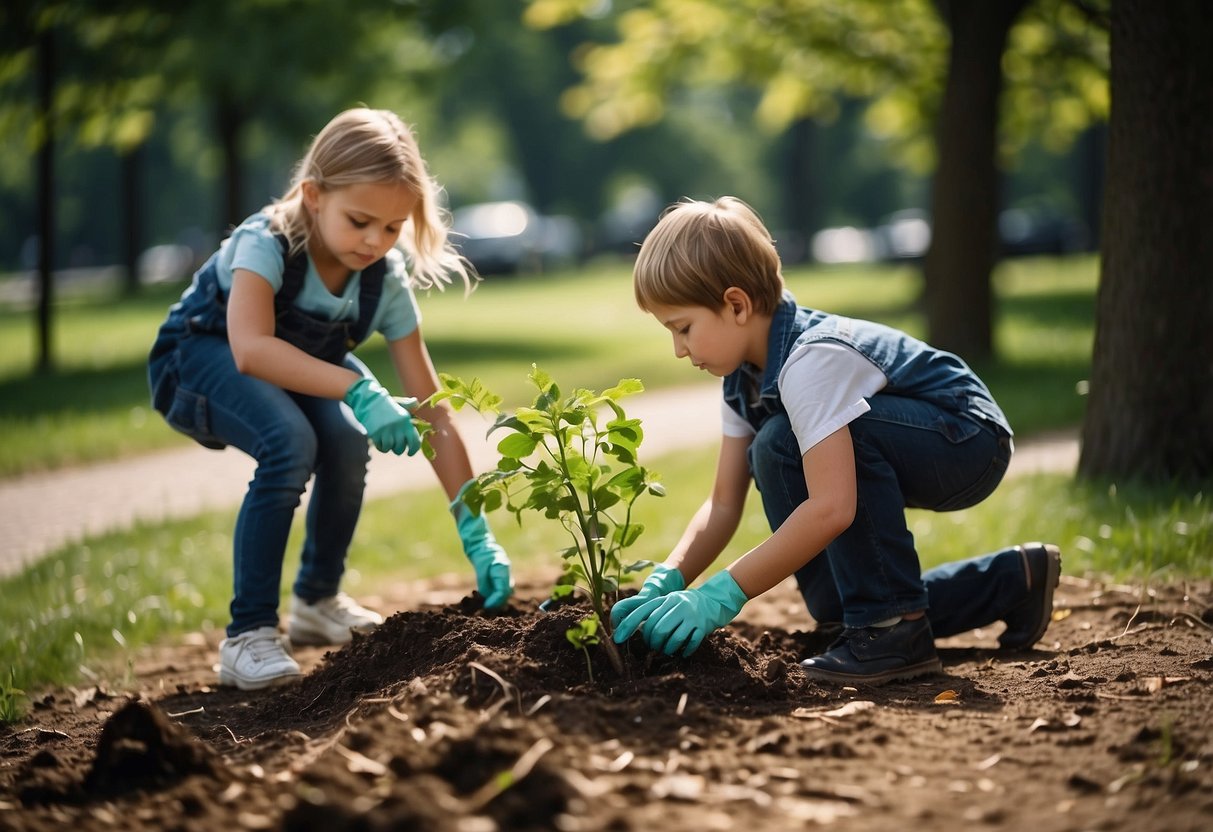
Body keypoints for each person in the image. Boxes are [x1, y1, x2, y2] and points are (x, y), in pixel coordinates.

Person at [609, 196, 1061, 686]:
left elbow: (833, 508)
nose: (678, 349)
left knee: (780, 442)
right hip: (915, 437)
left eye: (683, 328)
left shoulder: (811, 362)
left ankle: (893, 631)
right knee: (838, 607)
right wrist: (669, 578)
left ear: (736, 304)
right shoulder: (741, 378)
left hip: (966, 437)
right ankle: (1014, 582)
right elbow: (722, 505)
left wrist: (722, 594)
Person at [148, 108, 513, 691]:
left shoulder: (382, 281)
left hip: (293, 364)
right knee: (288, 442)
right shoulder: (266, 243)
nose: (376, 241)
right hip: (197, 360)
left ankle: (318, 600)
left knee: (344, 441)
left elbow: (432, 407)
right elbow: (250, 349)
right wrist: (359, 387)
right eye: (360, 220)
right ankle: (249, 635)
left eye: (392, 228)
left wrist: (476, 528)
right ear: (314, 195)